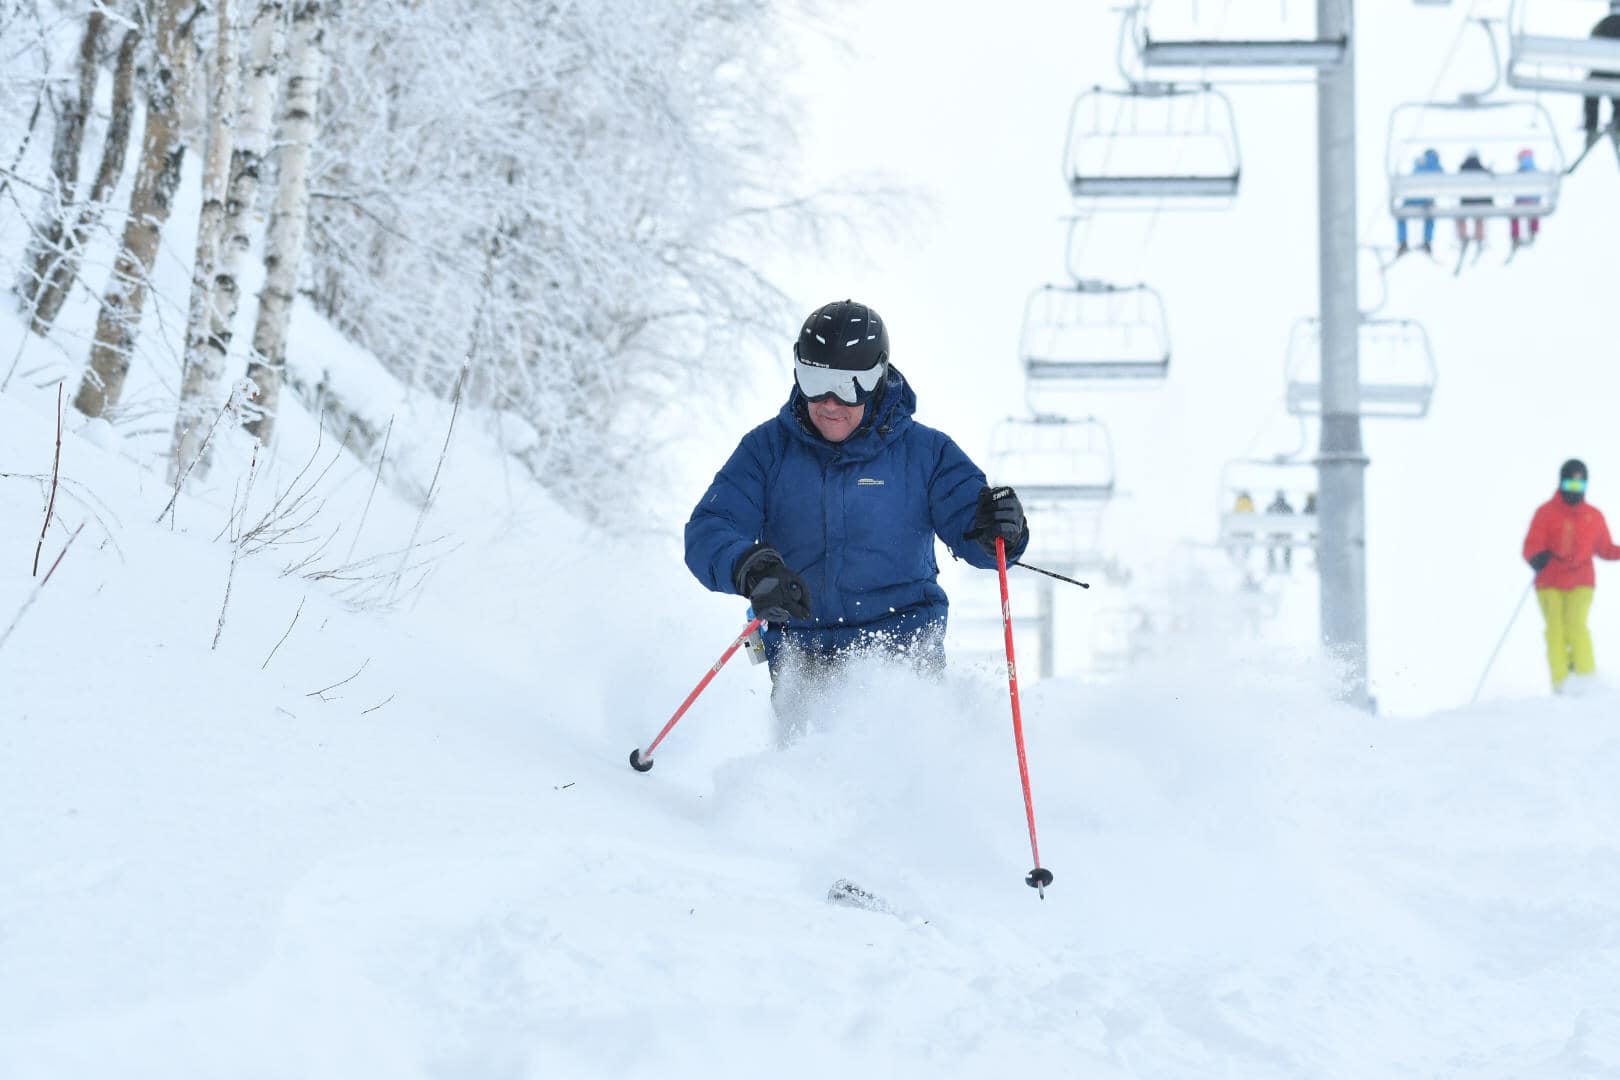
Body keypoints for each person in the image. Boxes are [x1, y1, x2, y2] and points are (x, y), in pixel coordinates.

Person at [684, 298, 1030, 729]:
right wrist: (750, 569)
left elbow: (980, 539)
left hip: (902, 651)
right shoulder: (767, 451)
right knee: (811, 763)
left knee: (897, 754)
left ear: (878, 379)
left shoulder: (927, 454)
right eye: (814, 381)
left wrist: (1000, 528)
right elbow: (710, 529)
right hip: (803, 656)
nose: (829, 402)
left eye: (850, 386)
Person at [1522, 459, 1620, 694]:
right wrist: (1536, 557)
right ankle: (1562, 684)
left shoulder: (1593, 516)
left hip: (1581, 581)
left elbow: (1605, 548)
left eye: (1579, 485)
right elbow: (1531, 545)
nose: (1574, 491)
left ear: (1585, 485)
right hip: (1550, 582)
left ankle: (1587, 681)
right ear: (1561, 483)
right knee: (1556, 630)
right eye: (1570, 484)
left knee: (1576, 625)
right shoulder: (1546, 513)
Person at [1582, 5, 1620, 151]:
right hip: (1617, 73)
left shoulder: (1602, 24)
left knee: (1591, 93)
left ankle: (1591, 127)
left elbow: (1590, 45)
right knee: (1618, 99)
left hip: (1600, 71)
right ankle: (1617, 125)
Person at [1395, 148, 1441, 257]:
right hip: (1426, 201)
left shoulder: (1418, 164)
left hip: (1411, 200)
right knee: (1430, 216)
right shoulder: (1437, 167)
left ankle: (1403, 242)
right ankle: (1427, 242)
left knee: (1401, 215)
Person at [1455, 150, 1491, 250]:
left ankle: (1463, 236)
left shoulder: (1462, 169)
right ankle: (1479, 237)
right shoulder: (1482, 169)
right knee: (1479, 218)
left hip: (1466, 201)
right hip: (1480, 201)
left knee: (1460, 217)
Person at [1509, 148, 1543, 250]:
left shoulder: (1520, 170)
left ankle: (1515, 235)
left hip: (1521, 201)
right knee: (1535, 211)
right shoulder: (1537, 170)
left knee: (1514, 214)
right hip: (1534, 202)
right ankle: (1533, 231)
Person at [1265, 489, 1295, 575]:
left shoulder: (1271, 507)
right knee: (1287, 547)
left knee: (1272, 547)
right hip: (1283, 534)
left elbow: (1266, 519)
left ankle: (1272, 565)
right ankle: (1286, 565)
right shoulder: (1288, 507)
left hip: (1276, 533)